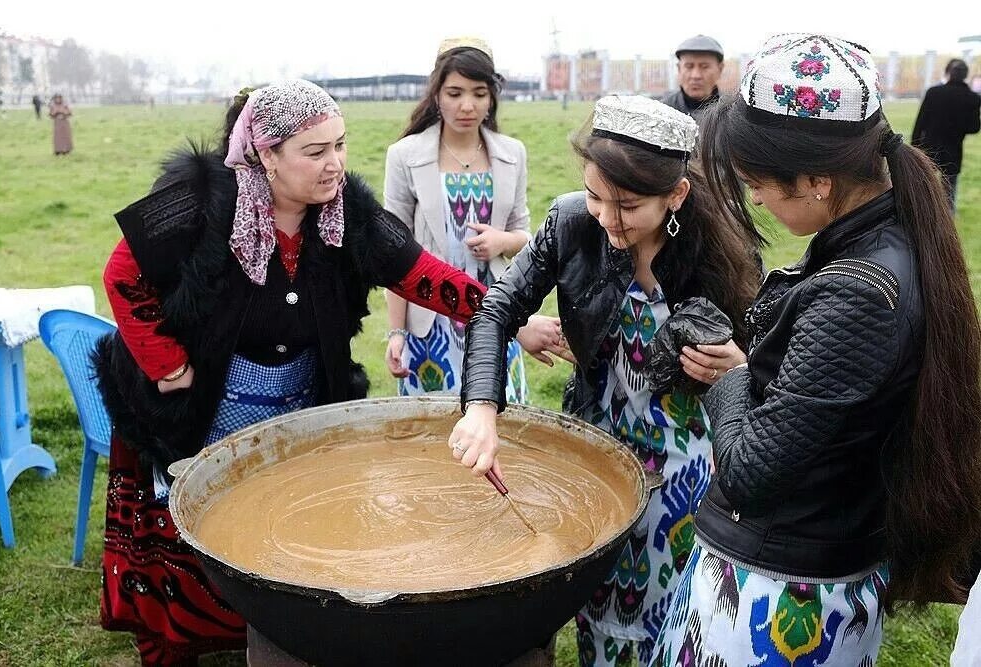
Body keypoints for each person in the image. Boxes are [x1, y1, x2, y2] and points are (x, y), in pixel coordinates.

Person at [93, 79, 558, 665]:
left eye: (340, 145)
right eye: (315, 152)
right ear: (265, 153)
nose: (335, 163)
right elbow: (121, 274)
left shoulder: (348, 211)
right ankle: (191, 636)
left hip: (297, 393)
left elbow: (422, 275)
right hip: (201, 395)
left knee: (276, 507)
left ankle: (277, 627)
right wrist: (167, 361)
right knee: (194, 519)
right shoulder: (200, 197)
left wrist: (511, 320)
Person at [648, 34, 981, 665]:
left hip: (780, 599)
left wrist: (731, 378)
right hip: (814, 559)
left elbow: (749, 475)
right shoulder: (886, 234)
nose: (755, 202)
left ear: (817, 180)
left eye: (757, 186)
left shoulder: (858, 296)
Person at [450, 95, 763, 664]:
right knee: (602, 593)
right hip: (596, 437)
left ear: (677, 195)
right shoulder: (571, 222)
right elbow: (497, 309)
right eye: (596, 197)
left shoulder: (718, 252)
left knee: (670, 602)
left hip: (682, 455)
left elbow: (764, 365)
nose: (609, 219)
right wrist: (480, 408)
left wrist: (738, 367)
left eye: (629, 205)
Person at [383, 37, 536, 401]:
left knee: (500, 426)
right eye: (454, 93)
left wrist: (502, 241)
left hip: (496, 313)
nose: (467, 105)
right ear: (436, 94)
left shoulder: (512, 154)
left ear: (492, 97)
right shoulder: (405, 155)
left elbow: (525, 236)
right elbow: (392, 251)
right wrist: (396, 332)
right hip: (429, 323)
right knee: (432, 435)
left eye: (479, 93)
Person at [912, 58, 981, 211]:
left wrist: (915, 145)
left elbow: (921, 121)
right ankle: (948, 220)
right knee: (949, 189)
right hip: (954, 149)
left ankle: (920, 212)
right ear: (965, 76)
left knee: (924, 184)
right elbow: (974, 127)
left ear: (949, 73)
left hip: (930, 147)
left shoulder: (934, 92)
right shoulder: (973, 98)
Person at [660, 35, 724, 120]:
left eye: (704, 67)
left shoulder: (731, 112)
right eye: (689, 66)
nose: (696, 76)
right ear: (679, 69)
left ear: (720, 69)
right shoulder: (663, 111)